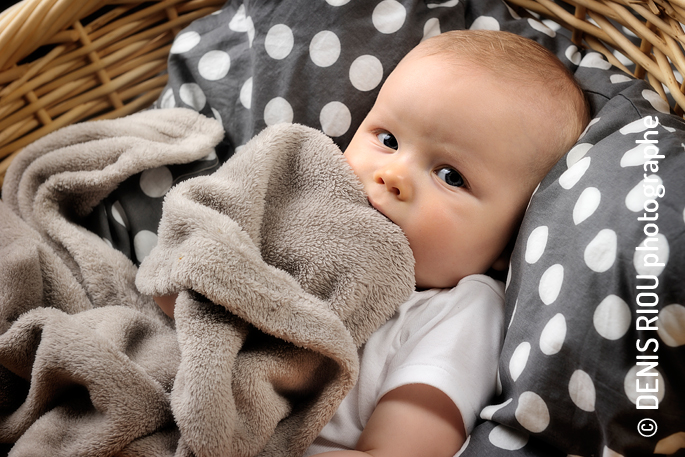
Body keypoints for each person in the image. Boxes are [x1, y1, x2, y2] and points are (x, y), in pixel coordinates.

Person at [156, 30, 590, 457]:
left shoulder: (460, 309)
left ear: (506, 245)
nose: (393, 175)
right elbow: (183, 288)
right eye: (388, 140)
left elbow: (405, 447)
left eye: (451, 176)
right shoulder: (301, 213)